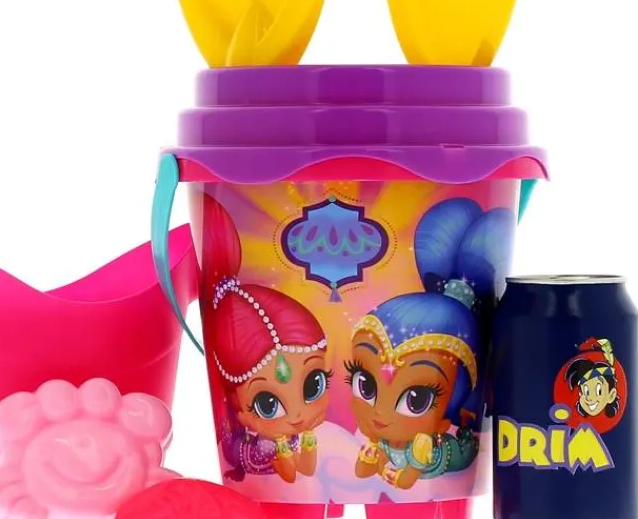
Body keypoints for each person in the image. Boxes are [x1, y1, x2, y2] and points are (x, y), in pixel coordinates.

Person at [347, 197, 514, 490]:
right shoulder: (384, 441)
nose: (380, 414)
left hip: (451, 474)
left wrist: (382, 466)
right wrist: (368, 457)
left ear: (446, 414)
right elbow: (361, 473)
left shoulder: (422, 448)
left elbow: (405, 481)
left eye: (416, 399)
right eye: (366, 386)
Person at [202, 194, 330, 484]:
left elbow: (307, 470)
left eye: (314, 385)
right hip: (263, 490)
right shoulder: (262, 446)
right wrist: (286, 450)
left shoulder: (292, 434)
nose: (298, 415)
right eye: (267, 404)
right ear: (236, 403)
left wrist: (308, 442)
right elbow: (290, 475)